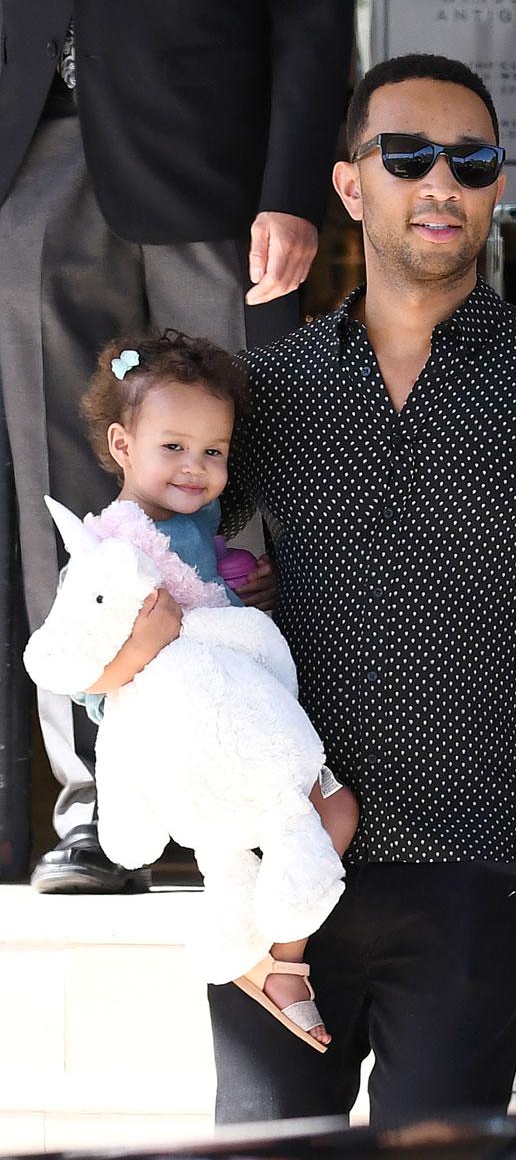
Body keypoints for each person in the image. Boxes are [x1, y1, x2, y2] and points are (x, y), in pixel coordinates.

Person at [175, 54, 516, 1127]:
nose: (441, 183)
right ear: (351, 188)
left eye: (472, 160)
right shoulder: (265, 390)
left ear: (499, 184)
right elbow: (160, 569)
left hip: (477, 865)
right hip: (279, 864)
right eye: (407, 157)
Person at [0, 1, 354, 893]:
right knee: (64, 505)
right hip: (30, 146)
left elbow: (311, 17)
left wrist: (292, 185)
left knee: (232, 485)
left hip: (215, 159)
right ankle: (94, 799)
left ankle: (238, 789)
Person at [66, 330, 358, 1050]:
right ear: (122, 444)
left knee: (287, 833)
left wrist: (244, 588)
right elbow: (79, 670)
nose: (195, 469)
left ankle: (261, 957)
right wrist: (141, 645)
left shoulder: (196, 528)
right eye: (173, 447)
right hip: (177, 734)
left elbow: (210, 610)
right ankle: (279, 964)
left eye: (214, 451)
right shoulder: (113, 547)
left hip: (225, 717)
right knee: (327, 812)